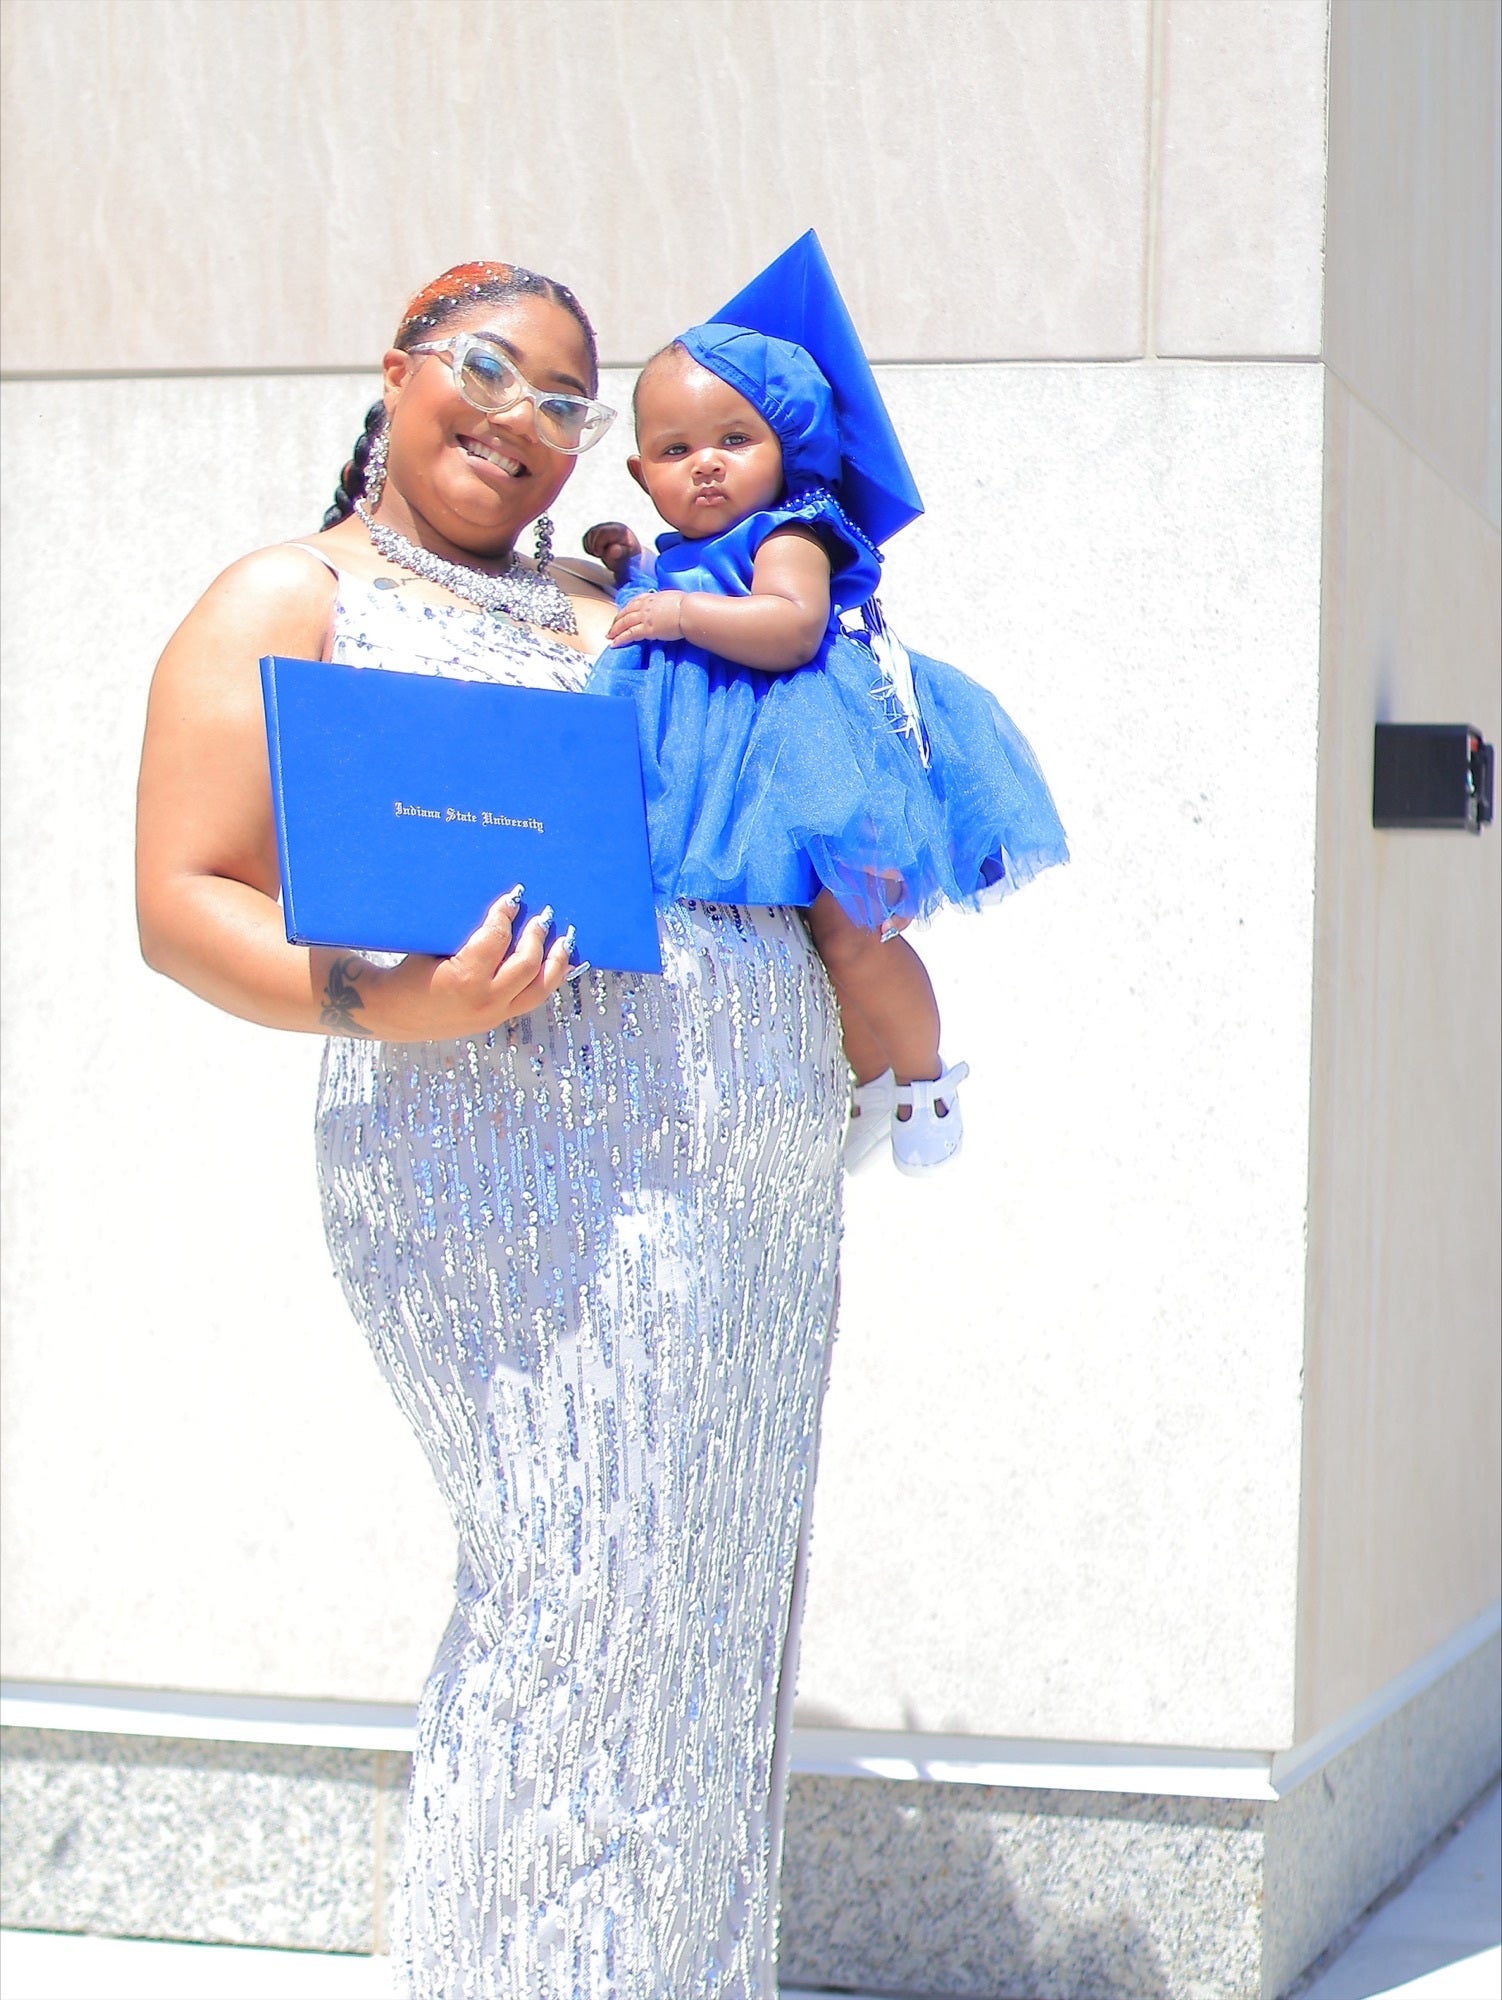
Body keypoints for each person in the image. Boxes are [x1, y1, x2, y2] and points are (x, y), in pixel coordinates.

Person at [135, 260, 847, 2000]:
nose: (517, 422)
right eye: (485, 370)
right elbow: (182, 899)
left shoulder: (599, 598)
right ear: (395, 369)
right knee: (573, 1597)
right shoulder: (285, 596)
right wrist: (398, 1002)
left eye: (561, 406)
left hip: (750, 1159)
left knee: (711, 1612)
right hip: (503, 1166)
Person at [582, 237, 1068, 1178]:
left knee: (855, 931)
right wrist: (629, 565)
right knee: (804, 938)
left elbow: (791, 628)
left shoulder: (790, 534)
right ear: (642, 475)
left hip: (815, 754)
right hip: (736, 772)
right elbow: (673, 603)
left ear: (788, 450)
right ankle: (863, 1076)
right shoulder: (681, 554)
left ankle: (923, 1076)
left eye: (736, 440)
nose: (708, 467)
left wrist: (678, 608)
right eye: (677, 451)